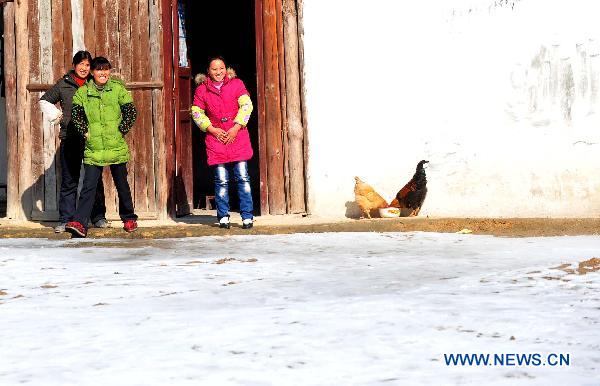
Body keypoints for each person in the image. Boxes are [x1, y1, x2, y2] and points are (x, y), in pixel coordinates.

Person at [64, 56, 138, 237]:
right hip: (94, 147)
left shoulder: (117, 89)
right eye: (99, 69)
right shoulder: (83, 92)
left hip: (115, 145)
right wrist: (86, 133)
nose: (103, 73)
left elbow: (130, 111)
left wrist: (121, 130)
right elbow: (77, 114)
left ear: (109, 71)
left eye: (106, 69)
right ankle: (80, 223)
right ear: (92, 72)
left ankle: (129, 217)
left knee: (122, 185)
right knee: (89, 186)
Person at [39, 51, 107, 233]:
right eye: (81, 64)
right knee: (70, 180)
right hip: (70, 138)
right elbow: (44, 100)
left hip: (92, 139)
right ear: (74, 65)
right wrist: (58, 116)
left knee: (95, 180)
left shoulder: (95, 84)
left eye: (87, 65)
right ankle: (66, 219)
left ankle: (98, 216)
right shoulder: (64, 84)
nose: (84, 68)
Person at [191, 57, 255, 229]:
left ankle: (247, 216)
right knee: (221, 180)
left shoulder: (237, 84)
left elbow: (247, 106)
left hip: (237, 137)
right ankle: (223, 216)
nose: (218, 72)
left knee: (242, 178)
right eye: (214, 69)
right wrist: (211, 129)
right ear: (208, 71)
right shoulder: (202, 90)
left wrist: (235, 127)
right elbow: (196, 112)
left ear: (226, 69)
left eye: (221, 68)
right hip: (216, 139)